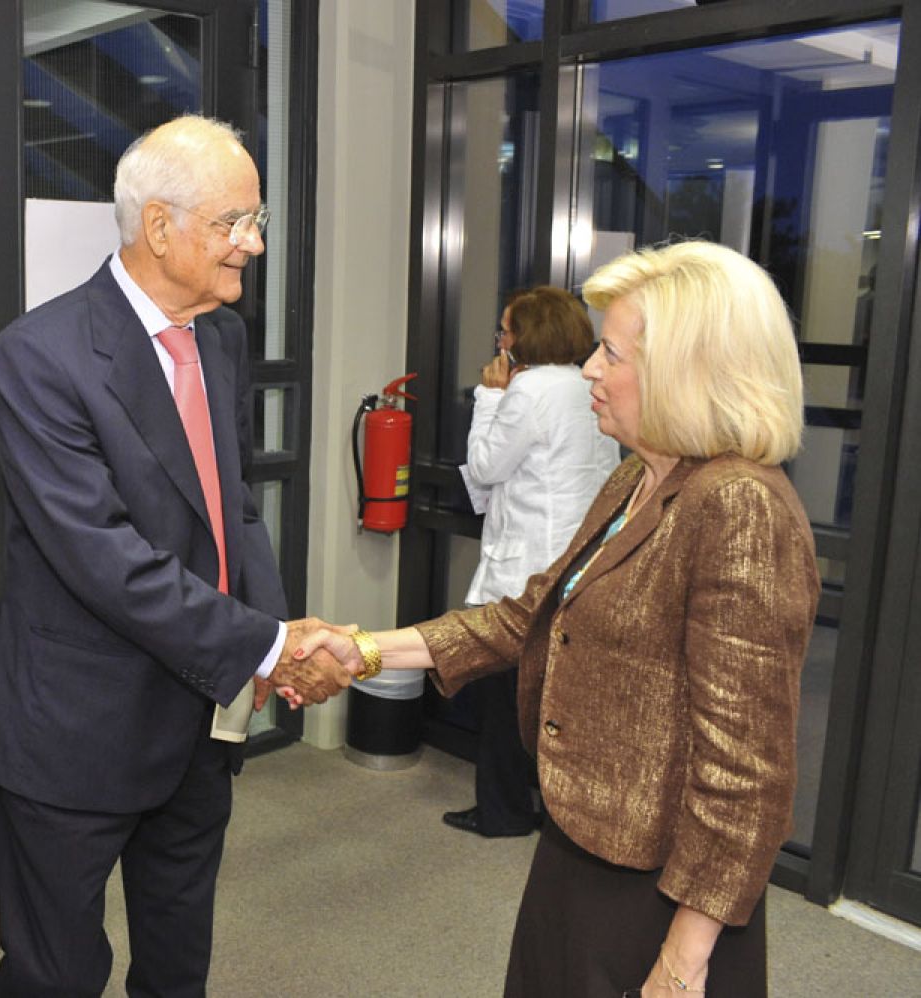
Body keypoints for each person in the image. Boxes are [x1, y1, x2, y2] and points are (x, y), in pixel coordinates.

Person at [297, 240, 818, 996]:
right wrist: (363, 649)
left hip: (660, 892)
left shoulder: (739, 506)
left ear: (687, 372)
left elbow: (746, 773)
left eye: (612, 353)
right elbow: (527, 617)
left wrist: (682, 961)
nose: (589, 370)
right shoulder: (637, 478)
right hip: (582, 844)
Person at [0, 114, 353, 997]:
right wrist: (266, 645)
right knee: (55, 975)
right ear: (159, 226)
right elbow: (104, 557)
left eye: (256, 220)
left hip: (198, 719)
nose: (253, 244)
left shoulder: (220, 337)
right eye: (235, 222)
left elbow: (233, 509)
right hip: (76, 730)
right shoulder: (38, 355)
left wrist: (269, 641)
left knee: (178, 965)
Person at [446, 286, 620, 838]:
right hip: (578, 561)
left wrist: (489, 396)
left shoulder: (530, 389)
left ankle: (502, 811)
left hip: (525, 567)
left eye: (506, 330)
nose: (501, 341)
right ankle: (559, 810)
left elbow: (486, 466)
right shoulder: (591, 385)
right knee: (555, 697)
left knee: (503, 693)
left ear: (528, 335)